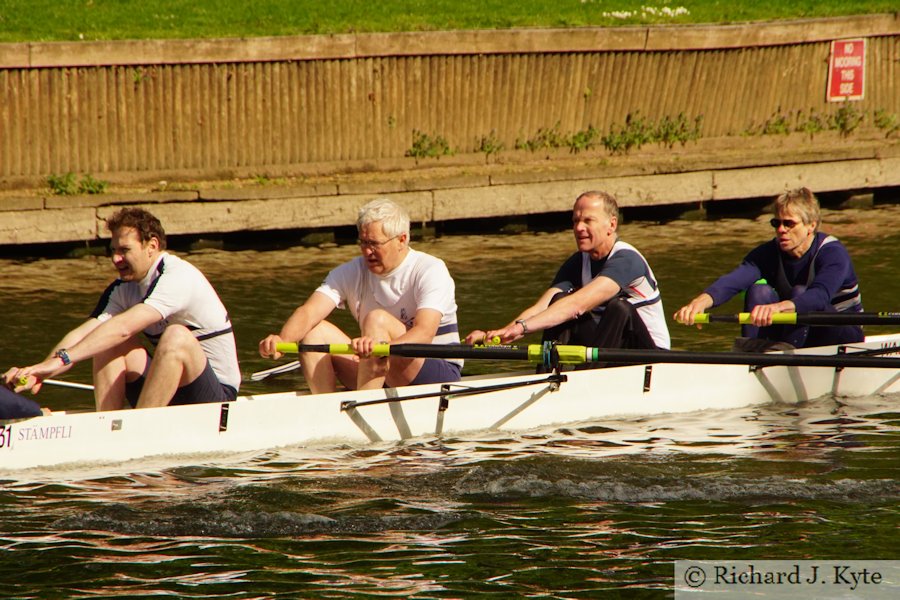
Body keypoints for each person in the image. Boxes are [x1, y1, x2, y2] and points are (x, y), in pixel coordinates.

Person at [3, 207, 241, 410]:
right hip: (169, 388)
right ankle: (107, 425)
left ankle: (139, 433)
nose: (115, 259)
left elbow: (125, 328)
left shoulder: (178, 276)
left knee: (175, 335)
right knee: (105, 340)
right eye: (113, 250)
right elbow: (82, 335)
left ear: (152, 246)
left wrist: (61, 360)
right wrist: (40, 370)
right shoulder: (123, 289)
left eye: (124, 250)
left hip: (216, 398)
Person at [259, 198, 463, 392]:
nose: (367, 252)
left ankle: (364, 407)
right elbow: (308, 313)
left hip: (437, 370)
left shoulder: (430, 269)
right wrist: (281, 340)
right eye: (363, 243)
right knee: (314, 331)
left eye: (375, 243)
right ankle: (326, 409)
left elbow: (424, 333)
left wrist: (380, 349)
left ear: (401, 240)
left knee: (377, 319)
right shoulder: (351, 272)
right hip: (376, 364)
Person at [465, 190, 671, 361]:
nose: (579, 228)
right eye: (575, 221)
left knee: (619, 308)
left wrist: (522, 328)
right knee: (559, 300)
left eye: (588, 220)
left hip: (650, 355)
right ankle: (548, 374)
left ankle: (585, 379)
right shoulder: (578, 261)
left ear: (612, 225)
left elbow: (578, 305)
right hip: (608, 348)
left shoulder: (627, 260)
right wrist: (500, 334)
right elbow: (542, 308)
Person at [673, 187, 864, 349]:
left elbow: (820, 295)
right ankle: (751, 355)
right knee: (759, 291)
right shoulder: (769, 252)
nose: (781, 230)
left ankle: (787, 358)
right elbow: (735, 280)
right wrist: (701, 302)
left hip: (843, 333)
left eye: (789, 223)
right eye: (776, 223)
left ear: (811, 225)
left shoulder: (833, 253)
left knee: (800, 291)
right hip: (800, 331)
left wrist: (778, 308)